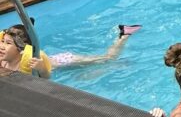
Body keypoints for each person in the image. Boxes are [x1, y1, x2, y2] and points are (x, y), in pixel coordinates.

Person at [0, 22, 139, 78]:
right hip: (55, 61)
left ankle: (124, 35)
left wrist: (41, 68)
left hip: (64, 61)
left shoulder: (32, 62)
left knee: (106, 59)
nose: (2, 46)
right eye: (2, 41)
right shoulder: (4, 59)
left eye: (7, 43)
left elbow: (46, 77)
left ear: (21, 50)